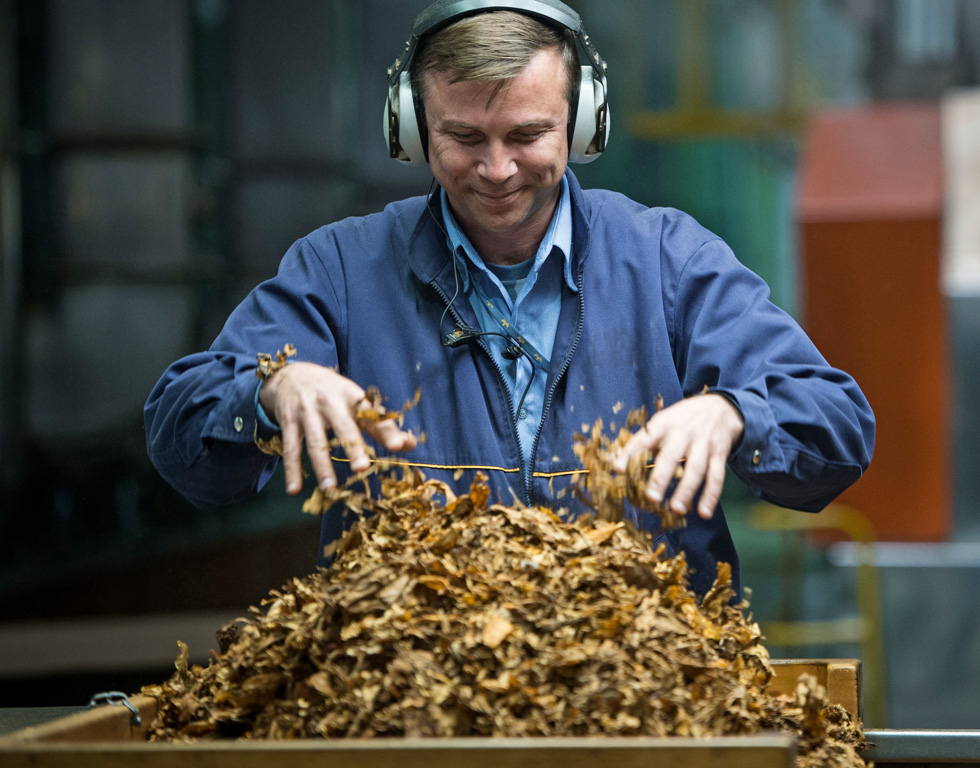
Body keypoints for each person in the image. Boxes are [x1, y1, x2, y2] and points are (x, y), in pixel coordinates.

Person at [144, 0, 874, 597]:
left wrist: (736, 413)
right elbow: (180, 428)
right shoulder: (339, 270)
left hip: (651, 700)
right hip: (414, 709)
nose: (497, 170)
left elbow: (839, 427)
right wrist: (269, 389)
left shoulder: (669, 261)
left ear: (584, 125)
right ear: (411, 127)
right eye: (463, 137)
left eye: (528, 134)